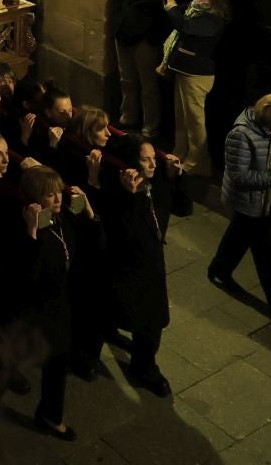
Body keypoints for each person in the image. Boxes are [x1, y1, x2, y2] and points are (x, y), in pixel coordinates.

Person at [3, 165, 93, 441]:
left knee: (57, 360)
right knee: (50, 357)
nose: (58, 199)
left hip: (60, 302)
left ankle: (49, 414)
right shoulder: (23, 228)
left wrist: (87, 209)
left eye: (58, 192)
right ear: (34, 199)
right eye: (50, 195)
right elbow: (27, 277)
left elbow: (88, 244)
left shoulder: (61, 217)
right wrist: (31, 233)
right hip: (36, 308)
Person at [208, 92, 271, 342]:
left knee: (237, 236)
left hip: (268, 203)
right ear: (269, 118)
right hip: (248, 202)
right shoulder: (241, 135)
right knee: (264, 257)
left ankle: (219, 268)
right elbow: (240, 176)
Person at [103, 132, 176, 397]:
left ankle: (143, 364)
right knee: (141, 317)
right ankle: (141, 366)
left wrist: (175, 177)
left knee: (152, 320)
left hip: (152, 265)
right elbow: (124, 234)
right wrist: (131, 196)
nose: (153, 165)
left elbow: (181, 207)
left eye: (153, 158)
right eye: (145, 161)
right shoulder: (119, 192)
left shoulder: (156, 184)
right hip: (127, 266)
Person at [160, 0, 230, 186]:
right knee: (181, 116)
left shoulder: (214, 19)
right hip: (182, 70)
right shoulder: (195, 9)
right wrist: (170, 1)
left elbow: (185, 28)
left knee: (195, 120)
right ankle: (180, 151)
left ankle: (198, 162)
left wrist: (171, 4)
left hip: (197, 76)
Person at [114, 0, 170, 139]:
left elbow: (160, 15)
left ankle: (149, 127)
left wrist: (150, 38)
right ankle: (128, 117)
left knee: (148, 87)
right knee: (126, 80)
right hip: (124, 34)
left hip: (145, 40)